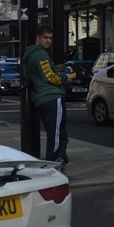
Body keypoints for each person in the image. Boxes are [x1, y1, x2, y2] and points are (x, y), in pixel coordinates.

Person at [22, 26, 73, 174]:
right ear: (37, 37)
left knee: (58, 132)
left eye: (50, 38)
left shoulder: (29, 56)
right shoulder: (40, 55)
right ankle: (55, 167)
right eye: (45, 37)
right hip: (51, 97)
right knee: (56, 134)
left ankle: (58, 161)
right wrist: (65, 78)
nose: (48, 41)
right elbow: (50, 77)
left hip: (40, 98)